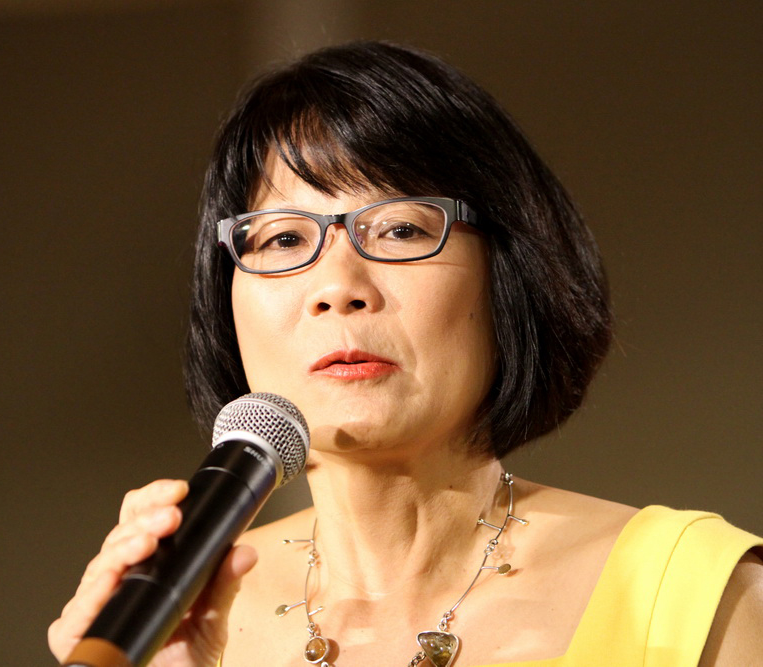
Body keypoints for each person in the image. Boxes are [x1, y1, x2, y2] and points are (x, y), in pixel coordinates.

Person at [48, 41, 762, 667]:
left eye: (398, 229)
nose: (337, 288)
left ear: (509, 272)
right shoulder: (180, 621)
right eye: (285, 238)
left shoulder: (701, 598)